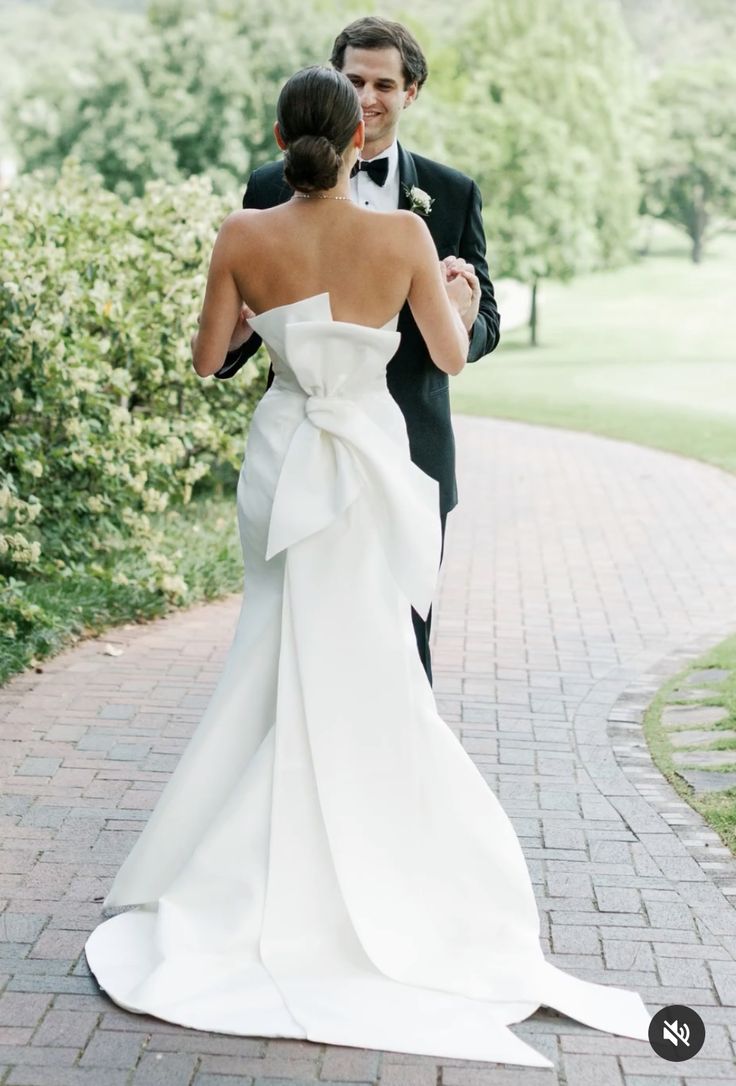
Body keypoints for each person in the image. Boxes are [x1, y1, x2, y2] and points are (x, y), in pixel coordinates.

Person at [84, 66, 651, 1068]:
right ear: (355, 139)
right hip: (370, 468)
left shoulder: (240, 234)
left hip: (285, 458)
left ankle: (257, 874)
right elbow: (448, 353)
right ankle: (381, 869)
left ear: (281, 135)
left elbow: (209, 357)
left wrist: (271, 319)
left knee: (274, 651)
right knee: (374, 658)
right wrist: (459, 292)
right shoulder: (403, 237)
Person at [215, 16, 500, 685]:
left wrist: (466, 318)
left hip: (413, 447)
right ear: (332, 85)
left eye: (384, 84)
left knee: (406, 646)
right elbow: (242, 315)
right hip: (302, 451)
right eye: (353, 81)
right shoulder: (267, 186)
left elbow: (483, 315)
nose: (368, 97)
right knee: (298, 636)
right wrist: (243, 338)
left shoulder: (451, 193)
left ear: (412, 92)